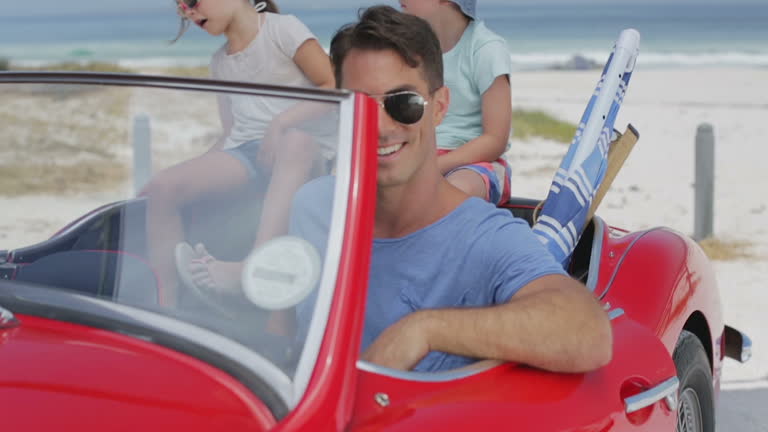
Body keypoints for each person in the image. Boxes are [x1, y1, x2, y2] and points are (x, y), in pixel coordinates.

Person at [309, 5, 612, 372]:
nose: (381, 127)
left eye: (403, 104)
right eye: (360, 105)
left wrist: (425, 329)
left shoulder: (481, 237)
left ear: (439, 108)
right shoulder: (312, 207)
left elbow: (586, 331)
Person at [142, 0, 335, 305]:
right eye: (181, 7)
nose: (187, 12)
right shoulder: (220, 62)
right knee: (162, 187)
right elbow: (231, 133)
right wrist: (184, 175)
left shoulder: (283, 29)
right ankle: (165, 306)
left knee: (294, 142)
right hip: (249, 154)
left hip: (305, 151)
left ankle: (250, 270)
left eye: (192, 2)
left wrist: (280, 124)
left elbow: (332, 86)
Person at [400, 0, 513, 206]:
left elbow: (495, 140)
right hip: (418, 158)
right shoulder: (408, 51)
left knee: (455, 193)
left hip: (475, 165)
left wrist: (432, 167)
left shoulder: (486, 49)